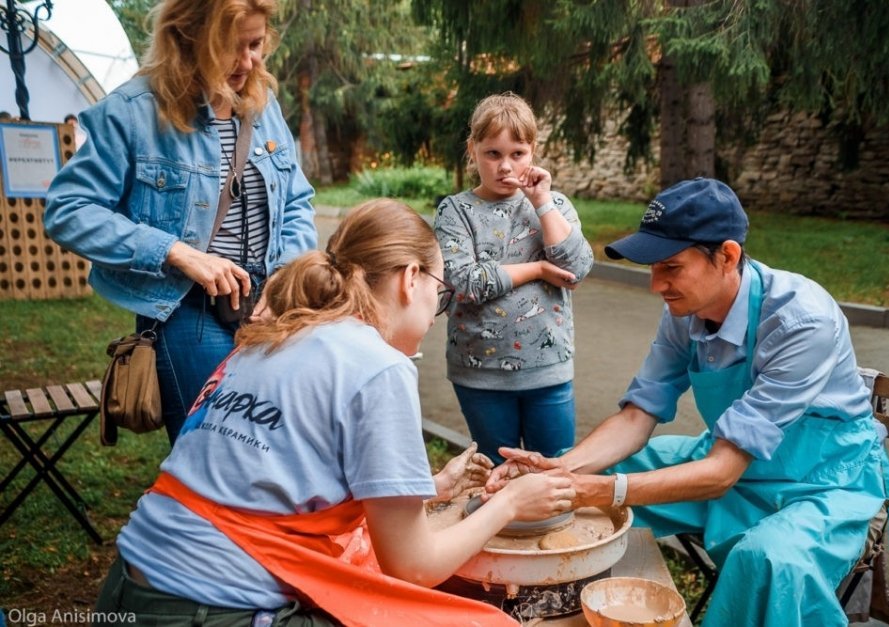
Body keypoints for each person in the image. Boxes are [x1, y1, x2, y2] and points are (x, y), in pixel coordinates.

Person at [93, 199, 575, 627]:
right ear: (411, 279)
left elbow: (276, 477)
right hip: (213, 609)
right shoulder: (379, 364)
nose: (435, 313)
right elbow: (412, 567)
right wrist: (510, 504)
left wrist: (430, 488)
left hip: (126, 589)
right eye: (441, 293)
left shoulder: (274, 336)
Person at [486, 178, 889, 627]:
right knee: (579, 470)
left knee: (767, 560)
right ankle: (544, 607)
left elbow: (720, 473)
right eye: (652, 268)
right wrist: (562, 472)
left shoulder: (802, 321)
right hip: (736, 461)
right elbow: (638, 415)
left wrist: (602, 491)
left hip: (824, 482)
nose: (656, 285)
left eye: (671, 267)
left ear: (727, 256)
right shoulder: (685, 313)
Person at [44, 0, 318, 445]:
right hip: (188, 310)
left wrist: (287, 273)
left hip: (270, 309)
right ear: (188, 39)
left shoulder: (263, 106)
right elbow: (68, 209)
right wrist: (177, 252)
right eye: (231, 48)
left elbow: (297, 201)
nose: (248, 62)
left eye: (256, 45)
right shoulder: (133, 112)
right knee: (219, 452)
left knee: (274, 448)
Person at [433, 92, 594, 464]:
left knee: (554, 467)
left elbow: (576, 268)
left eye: (517, 153)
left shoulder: (556, 206)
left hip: (548, 370)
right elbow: (464, 281)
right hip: (479, 374)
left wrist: (542, 203)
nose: (505, 166)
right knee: (496, 468)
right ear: (473, 150)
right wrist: (536, 269)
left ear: (532, 151)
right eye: (493, 154)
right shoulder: (456, 211)